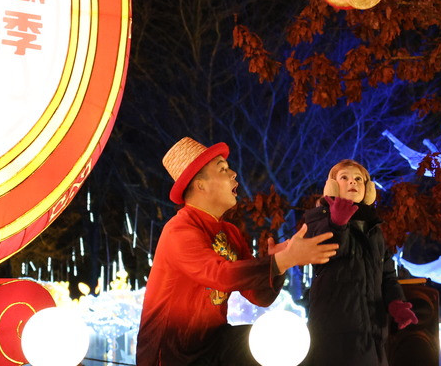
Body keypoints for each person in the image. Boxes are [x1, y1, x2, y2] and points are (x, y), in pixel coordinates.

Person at [136, 137, 339, 366]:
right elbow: (219, 275)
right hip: (171, 354)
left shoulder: (230, 232)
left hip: (214, 344)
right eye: (222, 169)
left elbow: (259, 297)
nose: (233, 173)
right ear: (199, 184)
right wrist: (281, 261)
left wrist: (281, 263)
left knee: (275, 342)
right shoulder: (179, 229)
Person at [302, 159, 418, 366]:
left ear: (368, 189)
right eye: (344, 178)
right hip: (335, 335)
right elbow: (326, 253)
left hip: (374, 331)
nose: (352, 182)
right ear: (333, 186)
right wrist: (337, 224)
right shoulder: (320, 220)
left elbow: (387, 275)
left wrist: (396, 303)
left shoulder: (373, 229)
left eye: (358, 179)